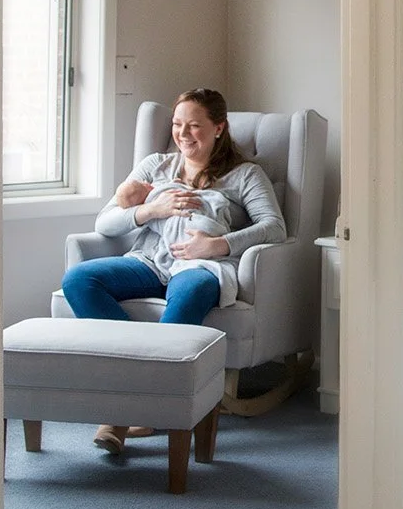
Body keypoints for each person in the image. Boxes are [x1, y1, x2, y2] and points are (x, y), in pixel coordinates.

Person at [62, 87, 286, 454]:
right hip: (150, 261)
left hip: (201, 264)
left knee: (191, 291)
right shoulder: (155, 166)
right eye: (177, 124)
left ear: (218, 127)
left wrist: (219, 245)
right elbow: (105, 222)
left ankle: (125, 413)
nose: (183, 133)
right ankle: (139, 390)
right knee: (79, 279)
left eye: (194, 125)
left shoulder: (245, 174)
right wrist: (151, 210)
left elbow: (274, 227)